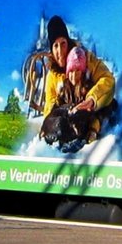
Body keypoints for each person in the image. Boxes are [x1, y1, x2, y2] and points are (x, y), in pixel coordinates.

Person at [42, 15, 115, 152]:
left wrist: (92, 99)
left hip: (92, 110)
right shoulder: (52, 76)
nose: (60, 52)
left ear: (68, 42)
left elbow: (108, 79)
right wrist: (49, 127)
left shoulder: (86, 58)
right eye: (55, 46)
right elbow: (49, 106)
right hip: (70, 116)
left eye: (63, 44)